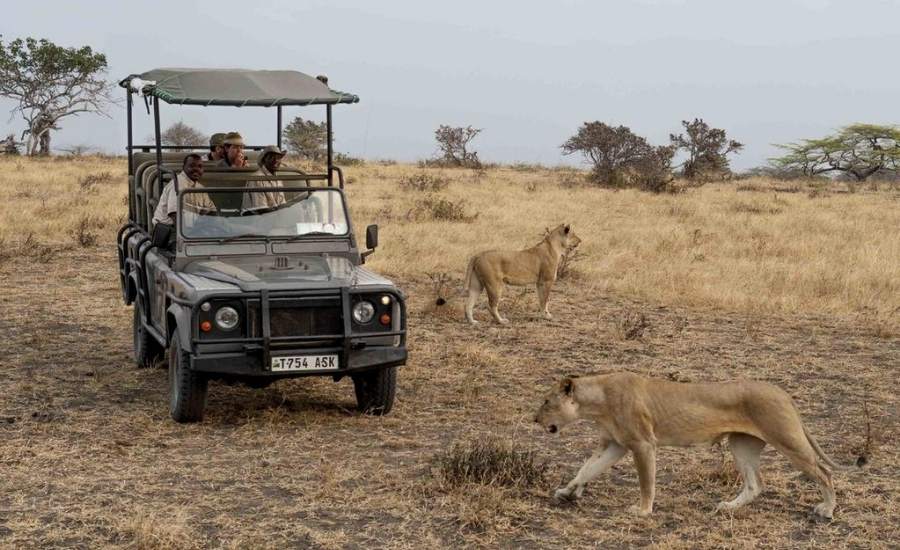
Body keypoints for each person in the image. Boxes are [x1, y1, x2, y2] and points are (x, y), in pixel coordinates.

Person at [152, 154, 215, 227]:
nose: (196, 169)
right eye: (192, 166)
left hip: (190, 228)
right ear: (183, 167)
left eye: (200, 166)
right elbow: (174, 215)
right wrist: (190, 235)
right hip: (169, 229)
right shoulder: (177, 185)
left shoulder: (200, 188)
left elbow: (211, 211)